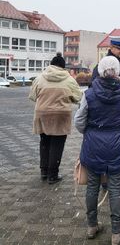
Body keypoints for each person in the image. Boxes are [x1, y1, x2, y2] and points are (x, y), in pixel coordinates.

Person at [74, 56, 120, 244]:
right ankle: (116, 232)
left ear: (100, 71)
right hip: (116, 144)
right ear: (117, 71)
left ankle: (91, 226)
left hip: (93, 144)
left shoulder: (89, 94)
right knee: (114, 187)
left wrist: (89, 133)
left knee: (92, 186)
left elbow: (79, 121)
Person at [29, 52, 82, 184]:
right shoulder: (69, 79)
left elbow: (32, 96)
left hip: (42, 114)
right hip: (61, 115)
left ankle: (44, 171)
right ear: (63, 67)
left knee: (44, 142)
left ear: (51, 65)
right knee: (57, 144)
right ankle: (53, 175)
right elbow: (78, 98)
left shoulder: (40, 78)